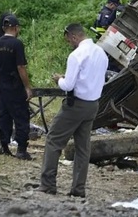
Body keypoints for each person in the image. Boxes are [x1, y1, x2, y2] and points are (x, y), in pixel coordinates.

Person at [36, 23, 108, 197]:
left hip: (76, 104)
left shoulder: (76, 55)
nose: (69, 42)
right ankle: (78, 188)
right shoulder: (102, 53)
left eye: (69, 39)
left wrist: (59, 79)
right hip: (93, 104)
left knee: (54, 140)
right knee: (83, 148)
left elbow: (68, 85)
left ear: (74, 36)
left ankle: (48, 184)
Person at [0, 14, 34, 160]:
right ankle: (21, 149)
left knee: (3, 115)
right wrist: (27, 87)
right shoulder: (17, 44)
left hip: (0, 85)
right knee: (21, 116)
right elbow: (21, 67)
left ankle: (4, 146)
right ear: (16, 28)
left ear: (3, 28)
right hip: (14, 85)